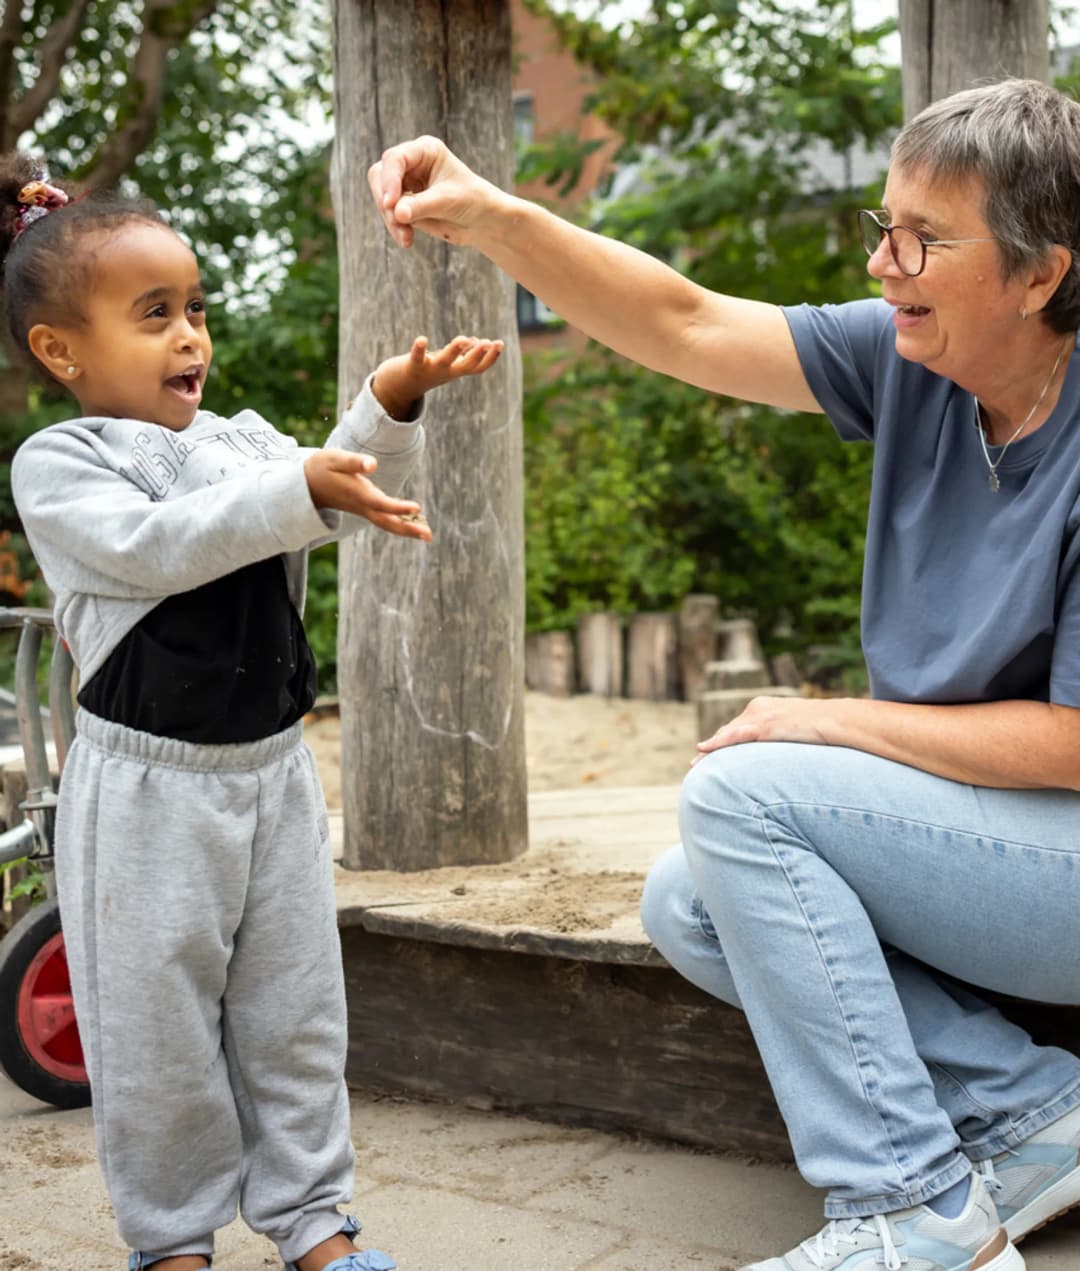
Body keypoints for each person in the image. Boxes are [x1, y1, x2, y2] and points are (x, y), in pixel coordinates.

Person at [368, 77, 1080, 1271]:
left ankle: (911, 1208)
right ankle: (1034, 1115)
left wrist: (828, 723)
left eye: (926, 239)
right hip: (1010, 846)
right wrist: (494, 215)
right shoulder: (916, 362)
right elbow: (688, 320)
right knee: (689, 899)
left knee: (746, 795)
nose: (887, 264)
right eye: (883, 227)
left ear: (1042, 273)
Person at [2, 151, 503, 1271]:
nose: (191, 334)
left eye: (195, 308)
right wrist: (301, 486)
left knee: (295, 1014)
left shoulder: (236, 438)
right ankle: (174, 1240)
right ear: (60, 350)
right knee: (155, 1030)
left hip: (271, 775)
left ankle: (314, 1221)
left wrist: (387, 405)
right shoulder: (62, 461)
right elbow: (166, 544)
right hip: (148, 794)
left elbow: (330, 485)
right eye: (154, 314)